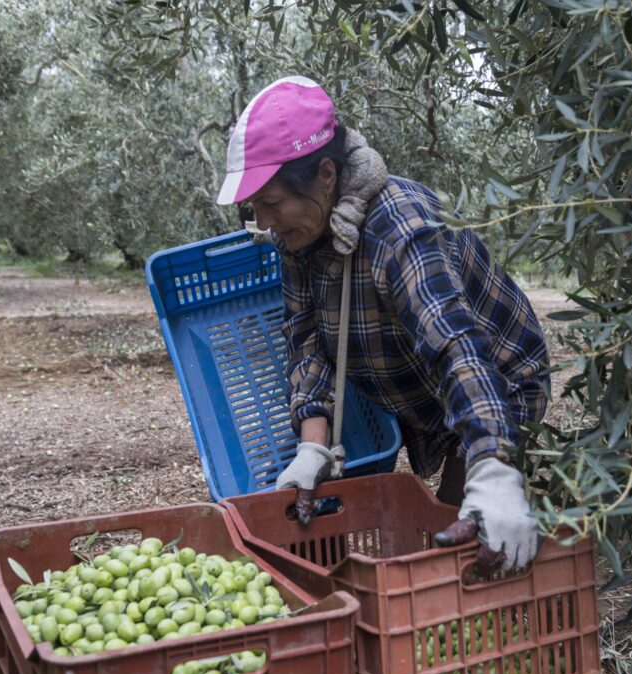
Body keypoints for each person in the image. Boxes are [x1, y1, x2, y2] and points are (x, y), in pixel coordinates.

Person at [215, 76, 551, 572]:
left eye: (270, 202)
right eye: (253, 206)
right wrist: (312, 443)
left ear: (325, 175)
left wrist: (492, 465)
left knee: (461, 538)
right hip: (410, 386)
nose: (263, 221)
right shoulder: (298, 232)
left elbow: (456, 345)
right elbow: (304, 334)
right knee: (429, 536)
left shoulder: (400, 227)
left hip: (492, 385)